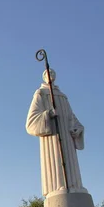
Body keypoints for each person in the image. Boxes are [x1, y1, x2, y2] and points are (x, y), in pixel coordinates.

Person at [26, 69, 86, 197]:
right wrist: (48, 114)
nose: (51, 75)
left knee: (70, 163)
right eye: (48, 73)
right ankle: (58, 186)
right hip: (52, 137)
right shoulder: (40, 94)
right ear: (43, 76)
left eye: (53, 73)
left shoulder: (62, 96)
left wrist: (78, 128)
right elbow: (31, 121)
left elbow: (71, 117)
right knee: (56, 162)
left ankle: (74, 185)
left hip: (67, 136)